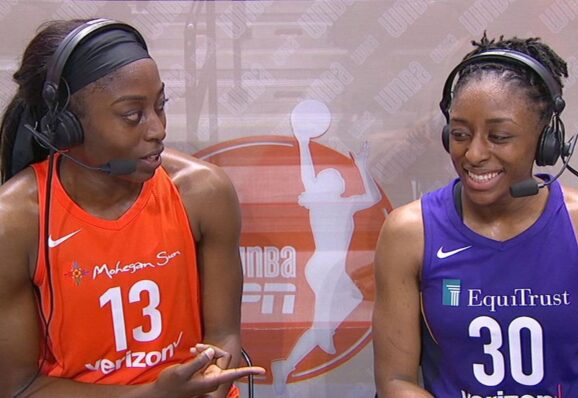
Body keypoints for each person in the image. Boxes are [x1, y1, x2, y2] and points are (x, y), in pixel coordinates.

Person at [0, 18, 264, 398]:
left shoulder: (203, 191)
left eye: (161, 105)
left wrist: (211, 385)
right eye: (132, 114)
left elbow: (223, 336)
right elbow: (20, 387)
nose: (158, 129)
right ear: (66, 127)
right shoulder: (16, 222)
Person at [372, 33, 578, 397]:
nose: (474, 153)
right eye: (461, 133)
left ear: (546, 141)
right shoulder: (410, 233)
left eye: (499, 136)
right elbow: (395, 381)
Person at [271, 100, 381, 396]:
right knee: (321, 326)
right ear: (321, 185)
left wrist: (361, 165)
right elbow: (307, 174)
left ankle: (320, 337)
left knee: (354, 296)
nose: (336, 176)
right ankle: (288, 366)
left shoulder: (345, 203)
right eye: (329, 175)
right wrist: (303, 143)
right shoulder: (321, 201)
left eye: (338, 175)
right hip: (324, 267)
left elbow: (371, 197)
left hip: (332, 268)